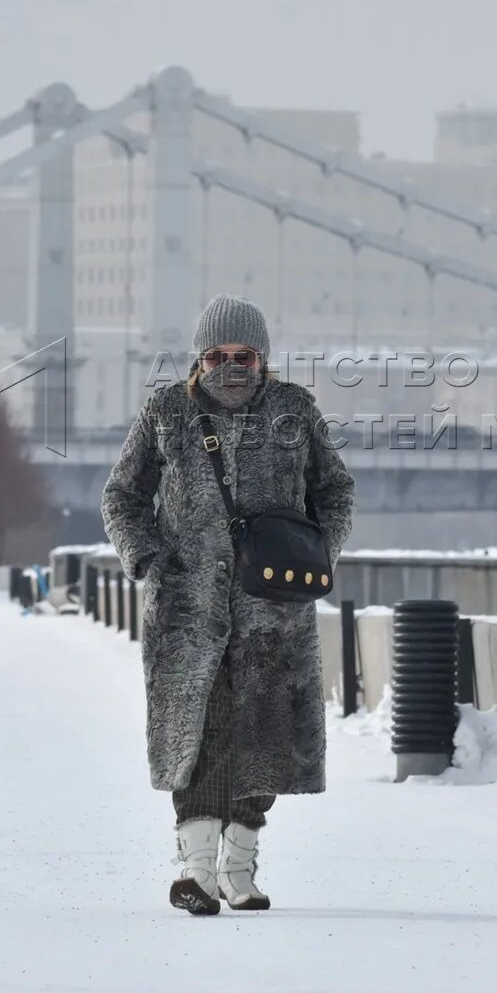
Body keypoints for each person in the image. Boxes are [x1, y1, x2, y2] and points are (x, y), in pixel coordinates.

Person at [102, 294, 354, 915]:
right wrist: (149, 559)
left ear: (263, 357)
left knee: (263, 743)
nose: (230, 366)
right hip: (187, 613)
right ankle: (196, 874)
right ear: (198, 357)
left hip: (274, 612)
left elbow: (335, 491)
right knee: (199, 740)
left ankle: (238, 871)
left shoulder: (295, 411)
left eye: (243, 355)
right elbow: (121, 496)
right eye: (217, 354)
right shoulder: (167, 412)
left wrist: (318, 554)